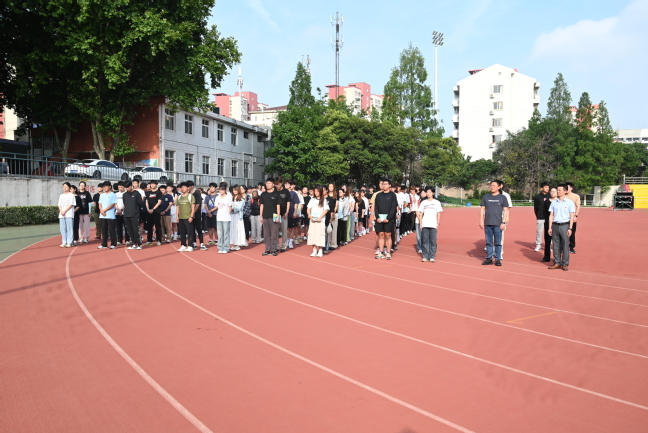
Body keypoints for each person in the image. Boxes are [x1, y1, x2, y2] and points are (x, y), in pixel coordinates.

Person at [479, 180, 509, 266]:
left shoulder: (503, 197)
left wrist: (503, 222)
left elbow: (506, 210)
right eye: (491, 185)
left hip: (498, 224)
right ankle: (489, 258)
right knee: (488, 242)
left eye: (494, 186)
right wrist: (481, 221)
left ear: (499, 187)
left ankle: (498, 259)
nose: (492, 187)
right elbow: (482, 209)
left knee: (498, 242)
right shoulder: (486, 197)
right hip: (487, 223)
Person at [548, 184, 575, 271]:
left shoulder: (569, 203)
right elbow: (551, 215)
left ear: (565, 191)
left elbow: (571, 216)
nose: (558, 192)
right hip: (555, 225)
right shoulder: (554, 203)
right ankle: (557, 262)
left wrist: (570, 228)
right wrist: (550, 227)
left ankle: (565, 263)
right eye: (557, 190)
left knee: (565, 245)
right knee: (555, 245)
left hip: (565, 226)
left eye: (559, 190)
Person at [373, 179, 398, 260]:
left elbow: (393, 207)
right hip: (379, 219)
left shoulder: (393, 195)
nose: (384, 185)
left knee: (388, 235)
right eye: (383, 184)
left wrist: (388, 218)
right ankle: (381, 251)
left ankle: (388, 252)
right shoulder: (378, 195)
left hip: (389, 219)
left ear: (390, 185)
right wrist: (377, 217)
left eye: (386, 184)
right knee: (380, 235)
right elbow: (376, 207)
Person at [417, 186, 443, 262]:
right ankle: (425, 255)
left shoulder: (437, 202)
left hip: (433, 224)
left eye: (430, 192)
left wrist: (438, 223)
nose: (428, 194)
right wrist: (421, 223)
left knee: (433, 241)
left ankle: (431, 256)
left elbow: (439, 213)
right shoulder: (423, 202)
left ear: (433, 193)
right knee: (425, 240)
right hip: (425, 224)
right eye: (427, 192)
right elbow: (421, 213)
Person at [259, 178, 280, 256]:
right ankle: (267, 249)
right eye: (267, 183)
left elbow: (278, 206)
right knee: (266, 234)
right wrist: (261, 216)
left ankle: (273, 250)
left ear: (273, 184)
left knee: (274, 234)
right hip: (265, 216)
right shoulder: (263, 194)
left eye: (269, 183)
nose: (268, 185)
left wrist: (278, 216)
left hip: (274, 216)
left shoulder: (276, 194)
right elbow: (262, 205)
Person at [307, 186, 329, 257]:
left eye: (317, 191)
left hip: (320, 221)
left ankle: (320, 250)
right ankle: (314, 250)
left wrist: (320, 217)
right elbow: (308, 208)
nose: (316, 193)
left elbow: (326, 210)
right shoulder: (312, 200)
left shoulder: (324, 200)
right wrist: (309, 215)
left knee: (320, 235)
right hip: (313, 220)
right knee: (312, 235)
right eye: (315, 191)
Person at [122, 181, 143, 250]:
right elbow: (125, 204)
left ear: (131, 186)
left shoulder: (137, 193)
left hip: (134, 215)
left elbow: (140, 203)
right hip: (126, 215)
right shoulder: (124, 195)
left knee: (136, 230)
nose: (127, 188)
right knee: (129, 230)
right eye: (126, 187)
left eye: (128, 187)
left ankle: (139, 244)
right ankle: (134, 243)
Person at [97, 181, 118, 249]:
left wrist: (104, 210)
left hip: (110, 215)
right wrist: (101, 210)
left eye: (106, 186)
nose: (105, 188)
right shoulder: (102, 195)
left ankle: (113, 244)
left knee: (112, 230)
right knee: (104, 230)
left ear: (110, 187)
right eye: (104, 187)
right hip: (102, 215)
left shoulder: (113, 195)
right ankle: (104, 244)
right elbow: (100, 204)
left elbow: (112, 204)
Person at [186, 180, 206, 250]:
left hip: (196, 214)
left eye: (189, 186)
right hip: (189, 215)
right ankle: (194, 243)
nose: (188, 188)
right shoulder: (187, 194)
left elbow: (198, 204)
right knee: (191, 229)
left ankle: (202, 243)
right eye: (187, 186)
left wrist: (193, 212)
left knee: (199, 229)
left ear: (192, 186)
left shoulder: (197, 193)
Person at [176, 182, 196, 252]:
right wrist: (177, 216)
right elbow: (178, 207)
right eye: (181, 187)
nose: (182, 189)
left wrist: (191, 216)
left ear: (188, 188)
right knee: (182, 232)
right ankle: (183, 245)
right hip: (181, 217)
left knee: (190, 232)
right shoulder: (179, 197)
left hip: (188, 217)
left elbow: (193, 207)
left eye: (184, 187)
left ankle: (190, 245)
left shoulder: (191, 196)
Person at [144, 180, 163, 246]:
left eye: (153, 184)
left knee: (157, 226)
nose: (152, 185)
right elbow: (146, 201)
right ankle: (149, 240)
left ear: (156, 185)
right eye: (151, 184)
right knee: (149, 226)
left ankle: (159, 240)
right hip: (149, 212)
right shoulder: (148, 193)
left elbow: (159, 202)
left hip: (156, 212)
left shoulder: (159, 192)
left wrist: (153, 209)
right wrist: (148, 209)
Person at [216, 183, 233, 253]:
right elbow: (217, 206)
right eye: (220, 190)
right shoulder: (217, 197)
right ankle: (220, 247)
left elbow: (230, 207)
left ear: (225, 190)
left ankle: (226, 247)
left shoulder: (228, 197)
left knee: (226, 233)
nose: (221, 191)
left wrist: (229, 214)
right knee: (220, 233)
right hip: (219, 218)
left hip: (226, 218)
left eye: (222, 190)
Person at [541, 187, 557, 263]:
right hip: (548, 223)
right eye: (551, 191)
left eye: (554, 191)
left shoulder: (559, 201)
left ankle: (556, 258)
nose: (552, 193)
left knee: (556, 242)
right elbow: (544, 212)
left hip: (557, 223)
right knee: (547, 241)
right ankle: (546, 257)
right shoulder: (547, 202)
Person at [533, 182, 551, 252]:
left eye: (548, 187)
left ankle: (549, 245)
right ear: (542, 188)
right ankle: (538, 245)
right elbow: (535, 208)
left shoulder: (550, 196)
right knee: (539, 232)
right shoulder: (538, 197)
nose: (547, 188)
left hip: (549, 217)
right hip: (540, 217)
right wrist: (538, 215)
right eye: (546, 187)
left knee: (549, 232)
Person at [58, 182, 75, 247]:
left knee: (69, 228)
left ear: (69, 188)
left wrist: (64, 211)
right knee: (62, 229)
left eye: (66, 187)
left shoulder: (71, 195)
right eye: (64, 187)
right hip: (62, 214)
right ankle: (64, 242)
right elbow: (59, 205)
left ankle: (69, 242)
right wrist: (61, 211)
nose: (64, 188)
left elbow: (71, 204)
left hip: (69, 214)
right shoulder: (61, 195)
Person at [565, 182, 581, 254]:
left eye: (567, 187)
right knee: (563, 233)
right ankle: (562, 247)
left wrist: (575, 216)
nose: (566, 189)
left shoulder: (576, 196)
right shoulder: (562, 196)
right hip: (563, 217)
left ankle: (571, 247)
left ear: (571, 188)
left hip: (572, 217)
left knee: (572, 232)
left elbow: (578, 206)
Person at [275, 179, 290, 252]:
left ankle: (284, 245)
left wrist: (287, 212)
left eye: (278, 184)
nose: (277, 186)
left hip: (283, 213)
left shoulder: (286, 191)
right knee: (275, 230)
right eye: (276, 184)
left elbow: (288, 202)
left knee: (284, 230)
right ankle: (277, 246)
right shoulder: (274, 191)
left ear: (281, 183)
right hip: (275, 214)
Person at [285, 180, 300, 248]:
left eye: (288, 184)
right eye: (285, 184)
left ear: (291, 185)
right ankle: (286, 241)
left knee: (291, 228)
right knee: (285, 229)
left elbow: (296, 203)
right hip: (283, 213)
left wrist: (295, 212)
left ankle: (290, 241)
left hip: (291, 213)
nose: (286, 185)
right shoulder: (282, 193)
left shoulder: (293, 193)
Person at [115, 181, 127, 246]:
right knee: (118, 227)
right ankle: (119, 240)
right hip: (117, 212)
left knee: (126, 227)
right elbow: (115, 203)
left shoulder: (126, 193)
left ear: (124, 187)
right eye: (119, 187)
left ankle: (127, 240)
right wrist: (118, 210)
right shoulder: (116, 194)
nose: (120, 188)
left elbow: (127, 203)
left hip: (125, 213)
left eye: (121, 187)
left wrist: (122, 210)